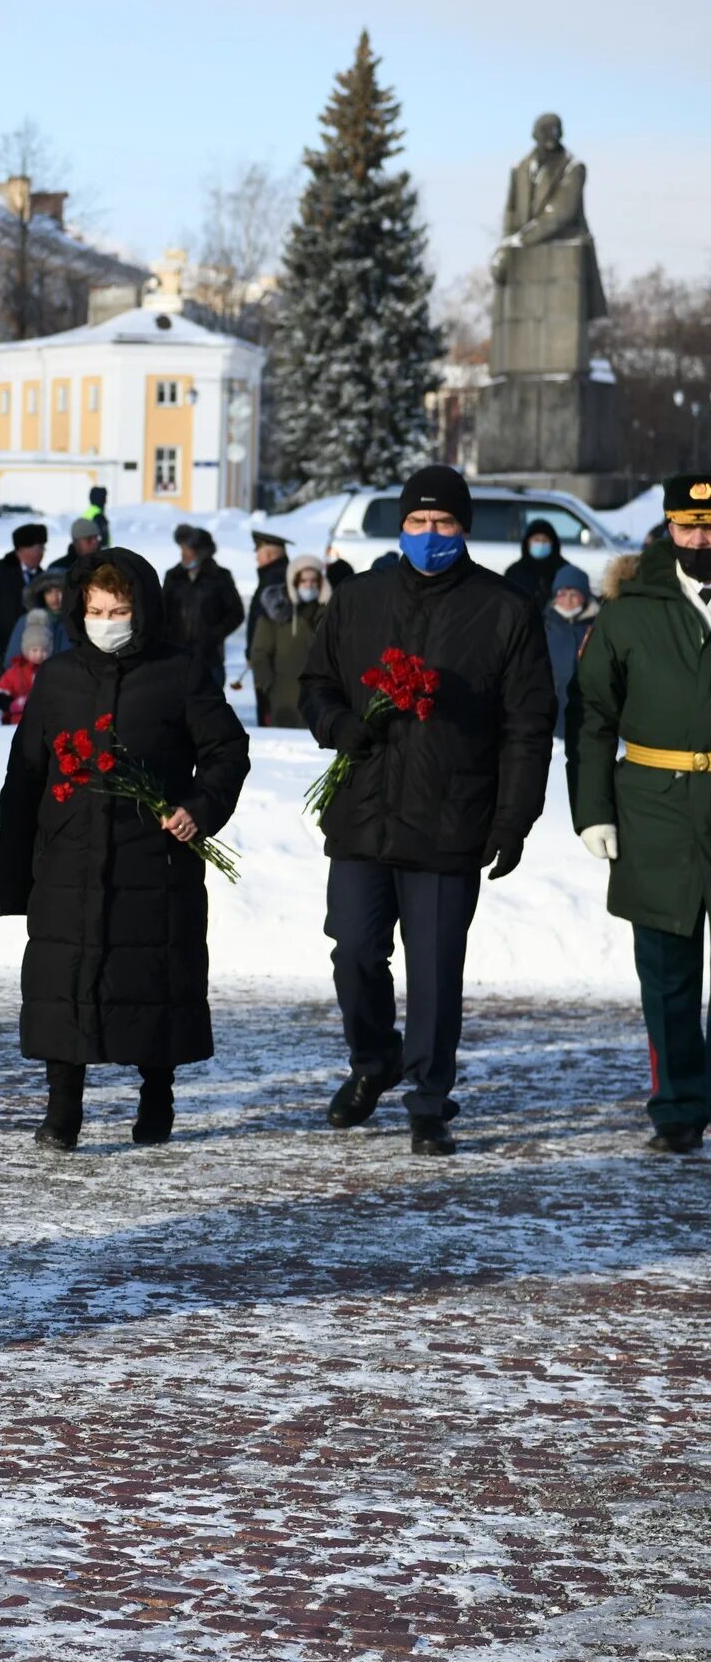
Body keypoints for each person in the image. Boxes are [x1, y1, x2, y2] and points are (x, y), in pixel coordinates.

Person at [299, 466, 554, 1154]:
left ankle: (429, 1099)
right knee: (353, 948)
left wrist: (513, 818)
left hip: (452, 816)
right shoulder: (359, 598)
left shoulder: (505, 608)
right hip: (364, 810)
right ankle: (373, 1060)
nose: (430, 534)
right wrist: (337, 724)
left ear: (463, 528)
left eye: (443, 523)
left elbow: (529, 725)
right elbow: (315, 681)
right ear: (401, 526)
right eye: (418, 522)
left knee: (436, 968)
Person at [0, 552, 250, 1150]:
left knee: (154, 979)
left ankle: (156, 1095)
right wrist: (13, 872)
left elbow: (226, 752)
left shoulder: (180, 672)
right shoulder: (58, 677)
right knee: (67, 980)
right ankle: (63, 1109)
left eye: (119, 611)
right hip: (69, 857)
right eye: (95, 611)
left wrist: (197, 808)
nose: (106, 621)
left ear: (143, 610)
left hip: (154, 858)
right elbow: (26, 775)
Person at [568, 477, 711, 1153]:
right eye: (689, 526)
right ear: (668, 528)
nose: (702, 539)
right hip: (653, 809)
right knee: (667, 973)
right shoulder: (627, 613)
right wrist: (592, 810)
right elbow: (591, 716)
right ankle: (680, 1105)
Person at [0, 524, 48, 724]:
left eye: (43, 548)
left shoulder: (42, 578)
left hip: (26, 654)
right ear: (22, 549)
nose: (41, 553)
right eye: (37, 548)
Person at [247, 556, 331, 731]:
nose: (309, 585)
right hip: (283, 695)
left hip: (322, 696)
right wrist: (267, 683)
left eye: (313, 580)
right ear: (294, 581)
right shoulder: (276, 613)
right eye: (303, 580)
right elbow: (260, 652)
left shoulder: (330, 613)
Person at [162, 527, 244, 698]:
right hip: (177, 655)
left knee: (209, 705)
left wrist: (214, 635)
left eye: (188, 550)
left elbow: (236, 613)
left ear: (202, 552)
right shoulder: (173, 577)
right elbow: (162, 611)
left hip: (210, 656)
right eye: (182, 549)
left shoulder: (220, 577)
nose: (184, 555)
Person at [240, 530, 291, 722]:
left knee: (269, 712)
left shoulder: (275, 578)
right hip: (267, 657)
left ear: (270, 555)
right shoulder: (274, 575)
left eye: (259, 554)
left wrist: (255, 653)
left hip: (271, 660)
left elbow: (265, 620)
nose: (256, 559)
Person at [542, 565, 595, 737]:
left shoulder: (599, 627)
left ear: (585, 596)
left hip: (588, 716)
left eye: (574, 594)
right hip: (550, 716)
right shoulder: (543, 625)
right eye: (562, 594)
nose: (568, 600)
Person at [4, 566, 68, 667]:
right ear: (41, 594)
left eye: (60, 591)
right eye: (49, 591)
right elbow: (12, 662)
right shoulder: (27, 621)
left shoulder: (81, 622)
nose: (54, 597)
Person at [0, 621, 52, 723]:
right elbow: (0, 694)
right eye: (35, 650)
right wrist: (11, 705)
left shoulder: (53, 671)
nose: (39, 655)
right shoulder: (15, 672)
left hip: (46, 722)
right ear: (26, 650)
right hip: (17, 722)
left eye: (44, 651)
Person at [502, 517, 564, 603]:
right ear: (527, 543)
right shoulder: (514, 571)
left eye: (545, 540)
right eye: (536, 540)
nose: (541, 543)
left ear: (553, 544)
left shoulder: (564, 570)